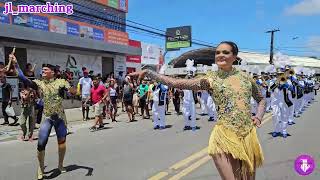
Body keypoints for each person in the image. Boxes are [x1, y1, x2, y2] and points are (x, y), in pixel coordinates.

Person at [129, 41, 266, 179]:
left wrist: (259, 116)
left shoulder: (246, 78)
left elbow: (261, 100)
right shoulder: (210, 79)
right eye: (218, 52)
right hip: (224, 136)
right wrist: (149, 73)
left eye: (225, 52)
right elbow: (176, 83)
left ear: (235, 57)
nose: (220, 55)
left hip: (248, 136)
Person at [11, 54, 76, 180]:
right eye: (42, 70)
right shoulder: (39, 83)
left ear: (52, 72)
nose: (43, 72)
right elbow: (22, 77)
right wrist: (16, 63)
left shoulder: (61, 81)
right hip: (47, 117)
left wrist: (73, 90)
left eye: (45, 70)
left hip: (60, 118)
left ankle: (60, 165)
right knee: (41, 143)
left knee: (62, 143)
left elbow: (71, 90)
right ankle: (40, 168)